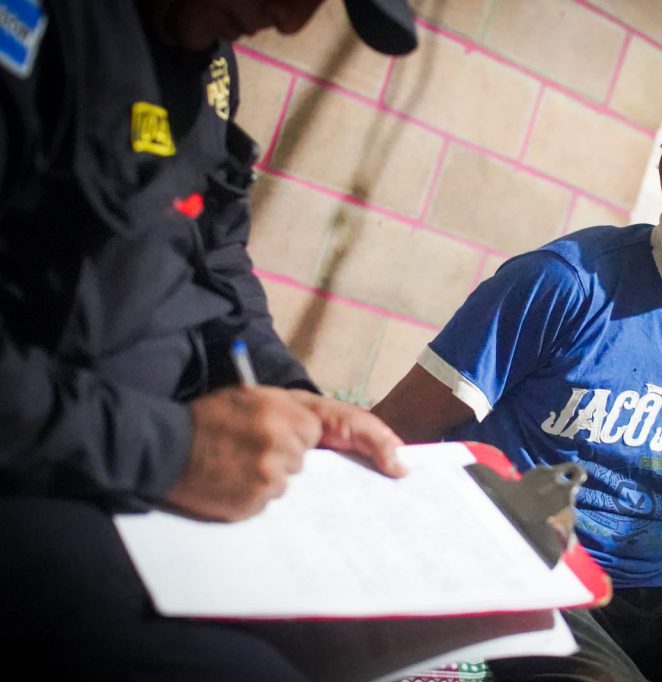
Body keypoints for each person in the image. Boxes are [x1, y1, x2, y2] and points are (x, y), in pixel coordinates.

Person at [373, 59, 662, 681]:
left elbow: (658, 493)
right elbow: (395, 428)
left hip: (646, 594)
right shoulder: (565, 282)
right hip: (518, 569)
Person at [0, 0, 417, 678]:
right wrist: (170, 451)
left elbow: (214, 262)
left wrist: (290, 393)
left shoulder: (210, 61)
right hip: (45, 469)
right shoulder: (34, 29)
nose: (289, 23)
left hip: (162, 459)